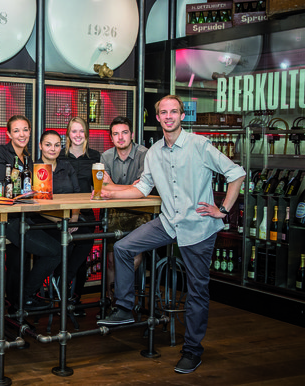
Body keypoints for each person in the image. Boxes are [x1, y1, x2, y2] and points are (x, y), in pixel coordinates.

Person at [95, 95, 245, 375]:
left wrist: (223, 210)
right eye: (163, 112)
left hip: (199, 226)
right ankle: (126, 308)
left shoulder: (199, 145)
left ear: (182, 116)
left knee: (197, 291)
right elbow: (141, 189)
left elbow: (236, 173)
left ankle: (192, 351)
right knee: (124, 247)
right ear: (158, 118)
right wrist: (109, 191)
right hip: (168, 221)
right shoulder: (153, 152)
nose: (168, 116)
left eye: (173, 112)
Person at [36, 130, 93, 302]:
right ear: (40, 146)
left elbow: (77, 194)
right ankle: (55, 281)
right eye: (48, 144)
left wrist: (73, 217)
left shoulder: (66, 166)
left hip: (70, 219)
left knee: (87, 237)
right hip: (45, 222)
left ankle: (62, 278)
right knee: (63, 244)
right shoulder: (36, 168)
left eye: (56, 145)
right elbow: (38, 205)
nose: (52, 149)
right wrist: (63, 222)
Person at [0, 115, 40, 309]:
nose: (22, 134)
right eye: (17, 130)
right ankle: (14, 305)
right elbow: (2, 182)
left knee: (24, 259)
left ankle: (23, 300)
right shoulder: (1, 152)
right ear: (9, 134)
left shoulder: (28, 157)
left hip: (25, 215)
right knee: (16, 261)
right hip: (6, 218)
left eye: (25, 130)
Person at [99, 116, 149, 301]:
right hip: (114, 209)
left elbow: (144, 189)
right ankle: (111, 301)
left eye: (124, 133)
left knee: (133, 255)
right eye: (116, 134)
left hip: (140, 210)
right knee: (111, 260)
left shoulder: (144, 154)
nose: (120, 137)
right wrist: (131, 188)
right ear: (111, 138)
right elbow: (102, 187)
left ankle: (121, 293)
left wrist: (113, 185)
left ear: (132, 135)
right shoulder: (106, 156)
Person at [58, 116, 101, 312]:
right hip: (62, 215)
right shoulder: (59, 156)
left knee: (82, 259)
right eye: (74, 131)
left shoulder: (95, 157)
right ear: (68, 134)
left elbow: (99, 186)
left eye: (81, 131)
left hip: (86, 215)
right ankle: (60, 296)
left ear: (87, 134)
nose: (78, 135)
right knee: (61, 255)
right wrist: (68, 216)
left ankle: (74, 299)